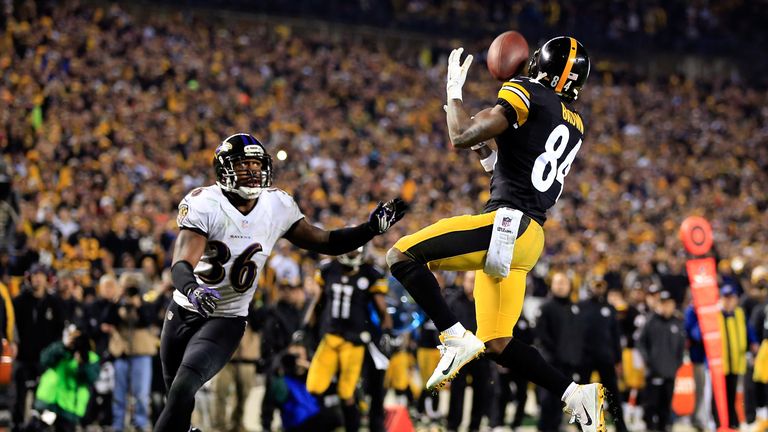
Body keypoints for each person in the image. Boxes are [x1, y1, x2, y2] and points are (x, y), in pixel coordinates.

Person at [386, 37, 604, 431]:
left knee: (401, 255)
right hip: (530, 237)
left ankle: (453, 336)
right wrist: (488, 153)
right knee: (498, 342)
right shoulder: (574, 122)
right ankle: (575, 394)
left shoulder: (527, 92)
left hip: (507, 224)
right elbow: (510, 166)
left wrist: (453, 94)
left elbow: (460, 134)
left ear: (540, 66)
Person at [155, 133, 407, 432]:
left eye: (256, 164)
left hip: (226, 316)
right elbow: (181, 263)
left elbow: (325, 241)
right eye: (244, 164)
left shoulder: (276, 204)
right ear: (224, 168)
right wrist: (192, 289)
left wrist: (369, 230)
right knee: (176, 400)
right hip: (184, 309)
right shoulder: (206, 203)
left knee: (184, 387)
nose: (252, 170)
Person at [304, 246, 392, 432]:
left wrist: (387, 333)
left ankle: (353, 426)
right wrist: (304, 328)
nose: (352, 253)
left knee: (346, 392)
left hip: (355, 340)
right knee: (314, 386)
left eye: (356, 250)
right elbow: (317, 302)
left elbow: (382, 309)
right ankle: (326, 423)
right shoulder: (328, 269)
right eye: (350, 249)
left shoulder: (370, 273)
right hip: (330, 337)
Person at [535, 271, 585, 432]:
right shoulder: (546, 307)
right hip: (551, 363)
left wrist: (575, 358)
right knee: (548, 399)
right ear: (552, 285)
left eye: (564, 282)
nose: (561, 286)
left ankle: (556, 428)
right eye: (558, 282)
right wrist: (554, 355)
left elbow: (577, 336)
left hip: (568, 363)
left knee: (562, 400)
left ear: (570, 286)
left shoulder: (574, 307)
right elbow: (541, 336)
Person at [637, 290, 685, 432]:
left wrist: (677, 364)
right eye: (663, 303)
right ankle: (650, 426)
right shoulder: (651, 321)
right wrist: (648, 361)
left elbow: (681, 347)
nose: (666, 307)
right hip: (654, 371)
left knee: (666, 403)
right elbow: (640, 342)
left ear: (673, 305)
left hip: (670, 372)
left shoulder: (677, 323)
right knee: (651, 403)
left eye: (669, 304)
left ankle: (665, 426)